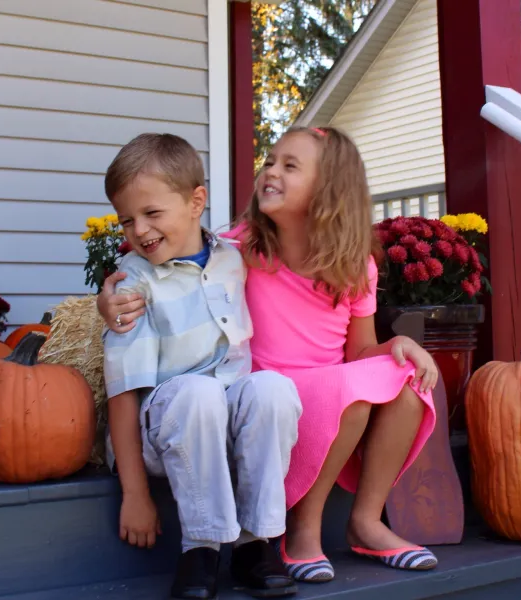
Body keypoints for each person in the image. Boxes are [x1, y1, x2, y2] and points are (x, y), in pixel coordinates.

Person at [99, 126, 441, 584]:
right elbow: (178, 264)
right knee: (335, 390)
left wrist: (398, 344)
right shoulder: (243, 247)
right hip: (229, 401)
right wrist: (107, 300)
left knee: (402, 382)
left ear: (328, 189)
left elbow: (359, 350)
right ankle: (270, 538)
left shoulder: (343, 263)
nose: (270, 171)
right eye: (270, 161)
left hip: (296, 394)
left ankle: (348, 524)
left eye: (289, 165)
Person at [100, 132, 303, 599]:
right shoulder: (132, 286)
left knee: (272, 389)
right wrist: (135, 494)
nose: (139, 230)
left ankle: (259, 542)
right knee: (198, 391)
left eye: (152, 213)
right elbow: (122, 392)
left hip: (224, 420)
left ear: (197, 202)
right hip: (166, 428)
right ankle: (202, 548)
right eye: (127, 219)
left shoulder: (234, 257)